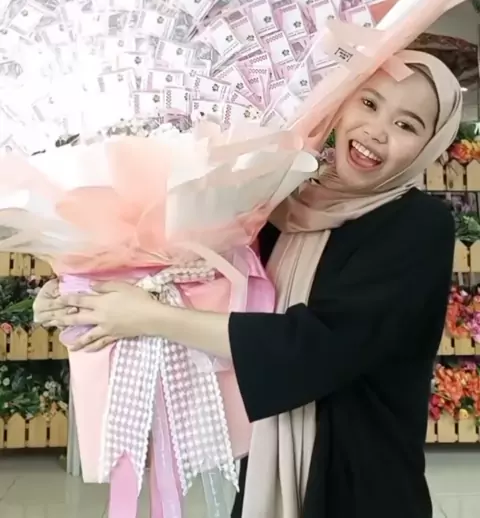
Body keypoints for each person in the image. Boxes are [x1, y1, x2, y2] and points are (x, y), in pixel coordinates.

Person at [34, 50, 461, 518]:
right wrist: (83, 291)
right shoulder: (285, 203)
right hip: (264, 458)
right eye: (370, 103)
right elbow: (206, 288)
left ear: (430, 144)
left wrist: (149, 316)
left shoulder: (418, 225)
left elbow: (318, 345)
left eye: (406, 125)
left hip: (359, 475)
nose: (376, 131)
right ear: (343, 104)